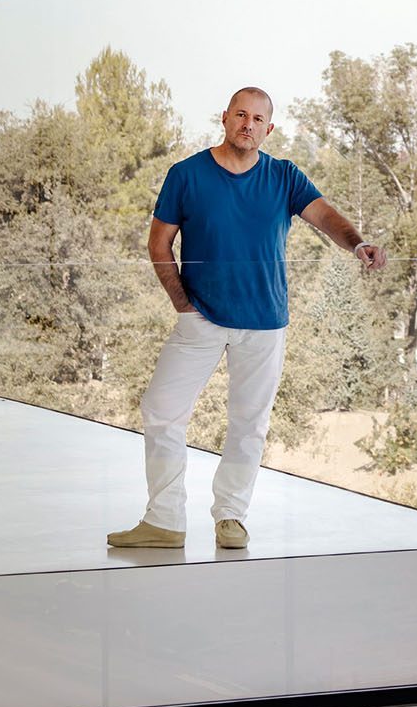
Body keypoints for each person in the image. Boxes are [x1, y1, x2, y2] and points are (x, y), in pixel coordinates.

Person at [107, 86, 386, 551]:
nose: (248, 125)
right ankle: (165, 519)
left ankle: (231, 516)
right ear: (225, 118)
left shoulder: (283, 176)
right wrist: (182, 304)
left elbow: (325, 216)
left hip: (265, 321)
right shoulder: (186, 174)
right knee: (161, 410)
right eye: (241, 115)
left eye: (258, 119)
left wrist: (357, 243)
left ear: (269, 129)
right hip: (201, 319)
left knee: (249, 422)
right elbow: (159, 244)